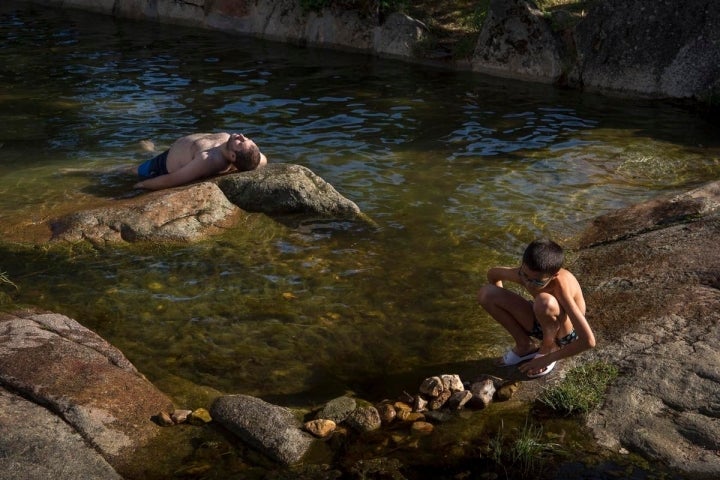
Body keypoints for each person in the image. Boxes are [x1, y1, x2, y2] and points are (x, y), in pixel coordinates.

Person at [477, 238, 595, 378]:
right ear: (523, 265)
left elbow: (588, 341)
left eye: (537, 281)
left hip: (565, 334)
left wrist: (547, 359)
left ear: (554, 276)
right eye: (525, 275)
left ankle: (548, 348)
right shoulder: (523, 274)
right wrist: (509, 313)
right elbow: (493, 274)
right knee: (486, 293)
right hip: (543, 321)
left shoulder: (561, 288)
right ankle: (524, 345)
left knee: (544, 302)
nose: (529, 283)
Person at [134, 132, 267, 190]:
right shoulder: (250, 156)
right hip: (175, 152)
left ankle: (142, 159)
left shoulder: (208, 160)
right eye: (247, 139)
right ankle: (151, 151)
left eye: (240, 143)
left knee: (128, 171)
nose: (242, 136)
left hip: (159, 166)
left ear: (233, 156)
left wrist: (142, 185)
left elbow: (172, 179)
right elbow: (262, 160)